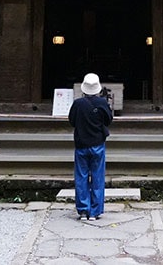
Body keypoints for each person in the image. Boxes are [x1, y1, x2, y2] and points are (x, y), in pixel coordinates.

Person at [68, 72, 113, 220]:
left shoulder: (78, 104)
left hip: (81, 144)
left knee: (81, 177)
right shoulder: (102, 103)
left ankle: (83, 209)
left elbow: (72, 121)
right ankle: (95, 210)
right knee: (97, 177)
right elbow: (108, 120)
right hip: (98, 144)